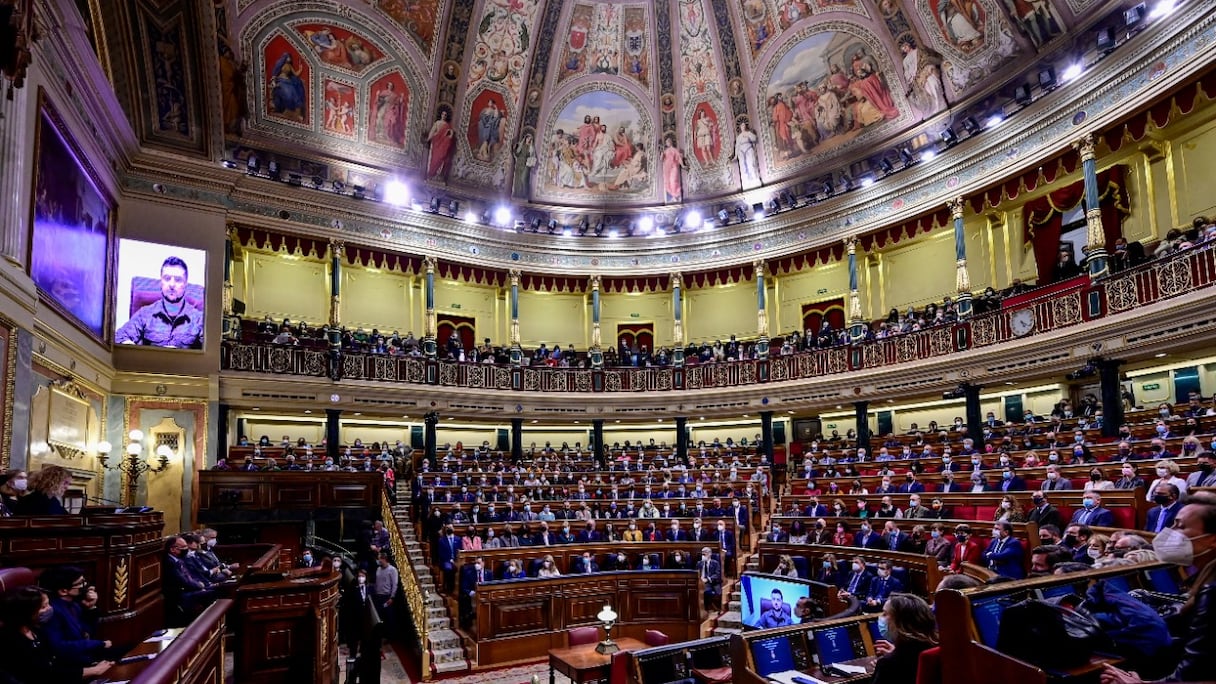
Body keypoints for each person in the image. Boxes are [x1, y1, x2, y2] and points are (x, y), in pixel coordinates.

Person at [1101, 491, 1216, 683]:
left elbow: (1196, 675)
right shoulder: (1206, 576)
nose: (1170, 531)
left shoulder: (1212, 591)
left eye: (1180, 526)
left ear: (1212, 539)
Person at [0, 585, 114, 682]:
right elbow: (42, 674)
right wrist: (91, 671)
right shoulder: (9, 640)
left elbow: (56, 661)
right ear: (26, 613)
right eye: (43, 607)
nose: (50, 609)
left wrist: (91, 665)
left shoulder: (36, 630)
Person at [114, 256, 203, 348]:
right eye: (167, 278)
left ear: (185, 284)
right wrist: (131, 347)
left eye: (178, 279)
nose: (172, 285)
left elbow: (211, 350)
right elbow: (119, 337)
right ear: (161, 281)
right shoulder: (145, 314)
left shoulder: (198, 319)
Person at [871, 593, 938, 684]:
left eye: (885, 614)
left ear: (901, 623)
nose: (881, 618)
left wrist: (881, 669)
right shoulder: (940, 650)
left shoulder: (889, 664)